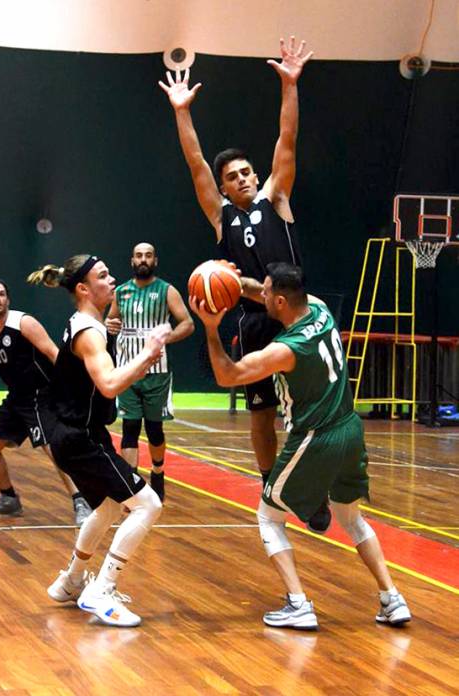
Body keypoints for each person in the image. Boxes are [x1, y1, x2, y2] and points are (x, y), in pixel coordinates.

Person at [159, 36, 330, 534]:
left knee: (309, 410)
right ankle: (270, 483)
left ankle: (309, 487)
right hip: (254, 321)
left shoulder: (276, 198)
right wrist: (182, 112)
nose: (243, 178)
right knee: (261, 412)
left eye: (247, 171)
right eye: (233, 176)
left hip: (294, 315)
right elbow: (195, 162)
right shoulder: (221, 216)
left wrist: (290, 85)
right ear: (224, 185)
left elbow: (287, 139)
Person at [190, 262, 412, 629]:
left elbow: (227, 375)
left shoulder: (286, 349)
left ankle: (298, 603)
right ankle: (392, 598)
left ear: (279, 301)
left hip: (316, 438)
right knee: (352, 519)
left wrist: (211, 328)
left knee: (268, 517)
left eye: (265, 293)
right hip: (350, 430)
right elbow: (263, 290)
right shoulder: (320, 309)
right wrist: (233, 282)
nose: (260, 295)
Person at [28, 255, 171, 627]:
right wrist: (148, 354)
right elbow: (108, 384)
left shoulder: (88, 324)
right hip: (80, 437)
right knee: (148, 505)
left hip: (76, 433)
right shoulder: (89, 332)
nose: (113, 280)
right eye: (103, 276)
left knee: (107, 508)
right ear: (83, 288)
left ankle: (72, 581)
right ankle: (101, 590)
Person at [0, 278, 92, 525]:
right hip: (17, 397)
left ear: (8, 299)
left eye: (1, 294)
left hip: (42, 394)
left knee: (53, 448)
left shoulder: (23, 322)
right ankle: (9, 499)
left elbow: (53, 353)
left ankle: (81, 501)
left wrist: (73, 387)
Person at [105, 242, 194, 501]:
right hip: (127, 370)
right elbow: (111, 321)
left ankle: (158, 473)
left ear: (155, 260)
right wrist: (110, 324)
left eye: (148, 255)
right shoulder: (121, 292)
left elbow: (187, 324)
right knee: (130, 427)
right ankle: (131, 482)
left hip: (157, 371)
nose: (143, 259)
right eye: (138, 255)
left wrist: (166, 338)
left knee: (154, 430)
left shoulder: (166, 290)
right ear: (132, 260)